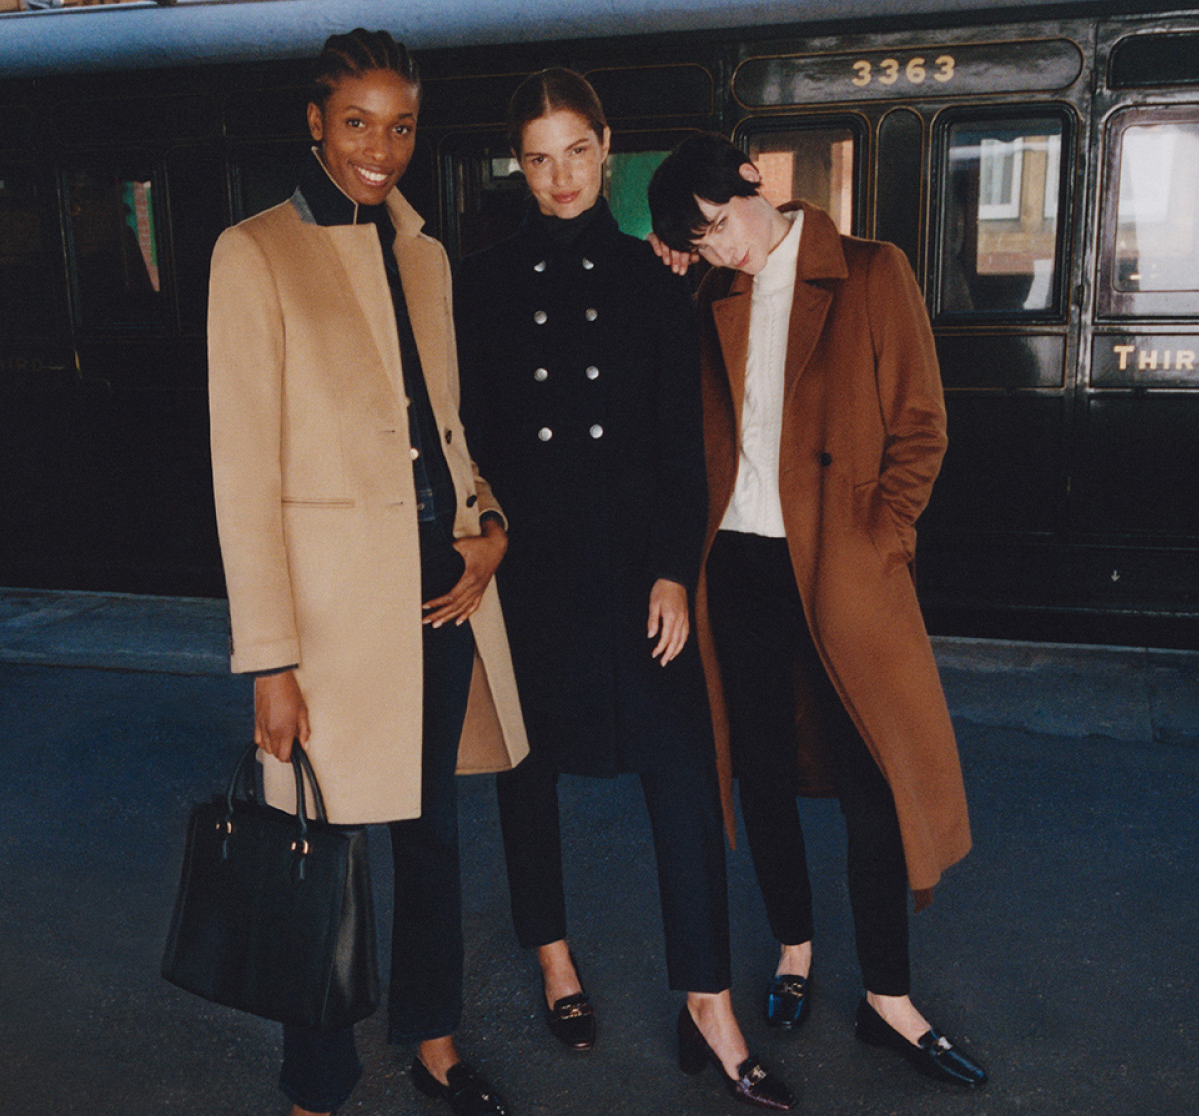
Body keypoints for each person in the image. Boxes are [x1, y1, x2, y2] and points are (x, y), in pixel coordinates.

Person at [454, 71, 793, 1111]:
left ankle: (709, 997)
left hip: (634, 566)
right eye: (538, 156)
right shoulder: (482, 280)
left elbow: (681, 451)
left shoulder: (659, 283)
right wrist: (478, 539)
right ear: (522, 163)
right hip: (532, 569)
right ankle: (553, 955)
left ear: (607, 148)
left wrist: (669, 572)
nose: (559, 176)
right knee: (529, 770)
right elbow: (467, 435)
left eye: (576, 151)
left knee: (684, 772)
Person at [207, 29, 529, 1116]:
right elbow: (242, 481)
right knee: (321, 856)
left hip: (441, 597)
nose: (379, 149)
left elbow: (444, 430)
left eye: (400, 127)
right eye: (357, 123)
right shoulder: (252, 254)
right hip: (331, 625)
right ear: (314, 121)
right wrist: (271, 662)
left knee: (432, 840)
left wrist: (488, 528)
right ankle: (316, 1083)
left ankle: (434, 1038)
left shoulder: (423, 254)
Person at [646, 132, 988, 1090]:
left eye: (720, 225)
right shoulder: (706, 289)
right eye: (699, 240)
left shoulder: (873, 272)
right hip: (741, 569)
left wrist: (885, 541)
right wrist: (675, 265)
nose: (723, 249)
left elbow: (923, 423)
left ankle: (890, 997)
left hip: (840, 566)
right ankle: (794, 948)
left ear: (755, 183)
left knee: (872, 781)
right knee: (759, 771)